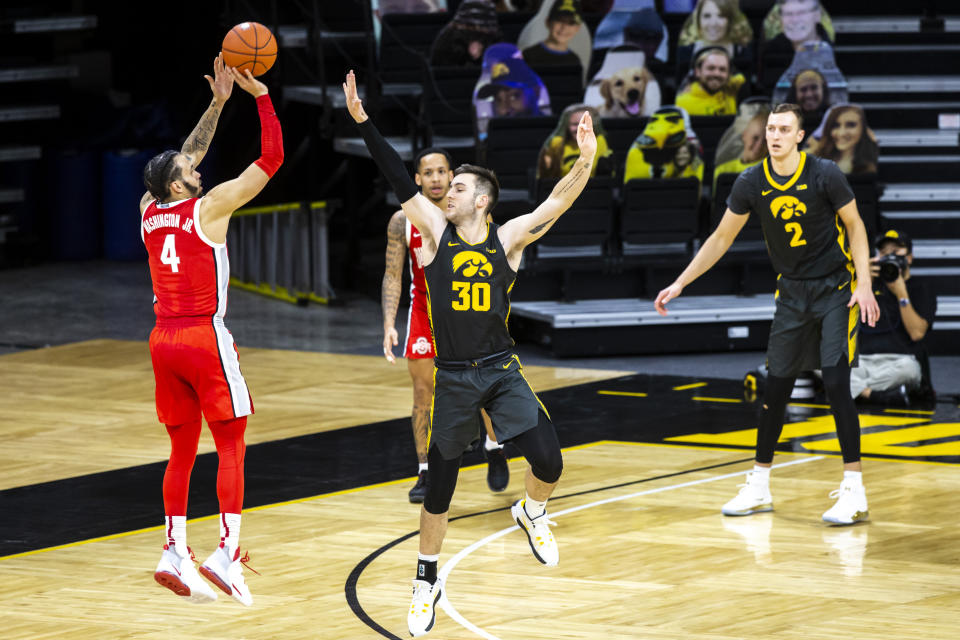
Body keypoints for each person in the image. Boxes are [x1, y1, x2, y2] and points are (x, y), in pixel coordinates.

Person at [343, 69, 596, 636]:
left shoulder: (508, 238)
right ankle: (425, 580)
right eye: (444, 185)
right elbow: (393, 174)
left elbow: (558, 200)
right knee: (440, 489)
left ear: (481, 200)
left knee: (551, 462)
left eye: (456, 186)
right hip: (454, 377)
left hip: (503, 372)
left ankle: (531, 509)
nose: (444, 190)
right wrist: (362, 121)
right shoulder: (433, 232)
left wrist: (587, 159)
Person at [654, 103, 880, 526]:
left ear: (799, 136)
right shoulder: (750, 182)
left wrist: (863, 283)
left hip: (835, 288)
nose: (774, 135)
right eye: (771, 128)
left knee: (834, 381)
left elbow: (856, 227)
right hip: (792, 293)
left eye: (784, 129)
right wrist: (681, 282)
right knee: (775, 389)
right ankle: (758, 485)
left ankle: (854, 490)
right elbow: (720, 238)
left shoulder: (824, 173)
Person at [142, 56, 283, 605]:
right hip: (203, 336)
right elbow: (271, 157)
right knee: (231, 446)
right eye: (190, 169)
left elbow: (186, 153)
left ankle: (175, 549)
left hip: (162, 341)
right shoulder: (211, 208)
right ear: (179, 184)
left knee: (181, 449)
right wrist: (262, 98)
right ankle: (225, 556)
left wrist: (219, 102)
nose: (198, 168)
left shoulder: (148, 210)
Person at [381, 147, 510, 503]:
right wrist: (389, 323)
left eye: (443, 172)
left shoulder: (468, 214)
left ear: (452, 177)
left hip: (466, 309)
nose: (437, 179)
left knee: (481, 384)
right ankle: (424, 472)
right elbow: (393, 274)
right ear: (418, 178)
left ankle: (493, 446)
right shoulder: (402, 221)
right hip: (425, 311)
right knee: (423, 394)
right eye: (429, 172)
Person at [852, 230, 937, 405]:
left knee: (910, 370)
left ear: (910, 258)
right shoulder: (866, 284)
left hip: (898, 363)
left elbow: (917, 333)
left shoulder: (921, 288)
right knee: (819, 360)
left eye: (896, 251)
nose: (890, 257)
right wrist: (861, 280)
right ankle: (875, 394)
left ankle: (853, 390)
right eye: (884, 253)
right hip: (861, 363)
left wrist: (901, 292)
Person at [675, 0, 754, 84]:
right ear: (698, 19)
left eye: (721, 16)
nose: (713, 23)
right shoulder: (687, 46)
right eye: (707, 16)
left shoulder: (741, 48)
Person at [537, 103, 613, 178]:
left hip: (591, 188)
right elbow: (544, 175)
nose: (579, 128)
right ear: (567, 126)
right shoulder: (557, 142)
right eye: (574, 124)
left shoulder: (599, 141)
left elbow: (608, 175)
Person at [807, 104, 879, 175]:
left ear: (863, 129)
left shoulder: (870, 164)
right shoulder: (810, 159)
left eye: (851, 125)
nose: (842, 133)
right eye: (836, 126)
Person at [521, 0, 584, 79]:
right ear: (548, 22)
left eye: (571, 23)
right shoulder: (528, 56)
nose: (564, 27)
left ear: (577, 28)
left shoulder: (575, 60)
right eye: (559, 20)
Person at [675, 46, 746, 116]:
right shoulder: (680, 104)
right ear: (697, 72)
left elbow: (741, 78)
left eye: (722, 69)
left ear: (729, 74)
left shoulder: (731, 92)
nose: (717, 74)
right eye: (711, 68)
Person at [785, 68, 829, 140]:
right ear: (795, 94)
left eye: (814, 88)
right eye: (803, 89)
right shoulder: (786, 123)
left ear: (823, 90)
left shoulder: (832, 119)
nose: (809, 95)